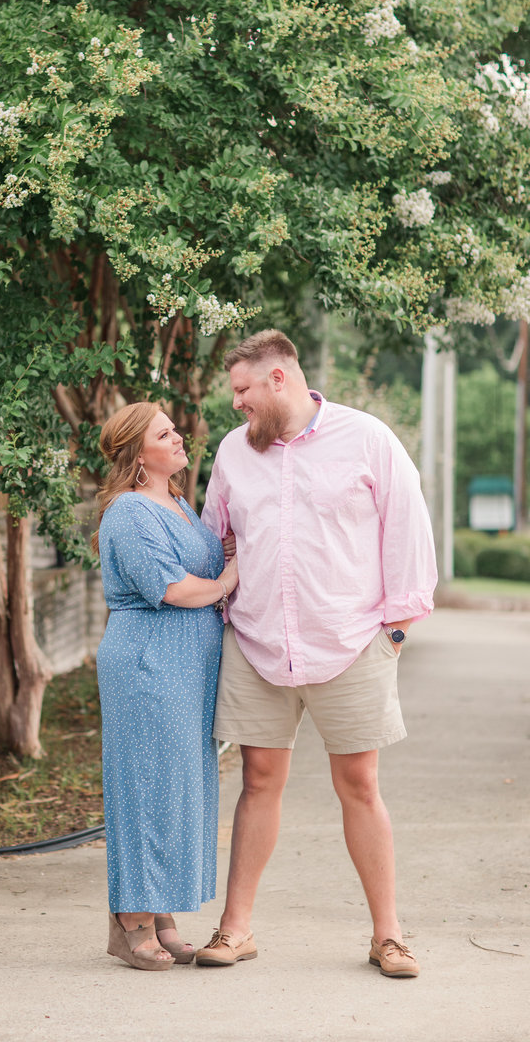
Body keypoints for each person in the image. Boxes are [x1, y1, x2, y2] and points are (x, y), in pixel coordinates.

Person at [196, 329, 437, 978]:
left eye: (243, 391)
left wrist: (395, 630)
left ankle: (389, 937)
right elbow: (212, 535)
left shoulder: (367, 439)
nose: (237, 405)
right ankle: (235, 928)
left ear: (279, 379)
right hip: (256, 643)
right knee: (259, 782)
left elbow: (407, 528)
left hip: (351, 643)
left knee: (359, 785)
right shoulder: (232, 453)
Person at [94, 401, 239, 970]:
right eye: (165, 432)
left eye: (175, 428)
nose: (180, 437)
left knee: (180, 788)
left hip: (189, 667)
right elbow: (173, 588)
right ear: (137, 454)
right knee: (145, 788)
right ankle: (130, 920)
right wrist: (228, 578)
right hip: (148, 664)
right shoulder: (129, 512)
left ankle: (162, 913)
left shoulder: (177, 503)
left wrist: (223, 556)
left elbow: (200, 561)